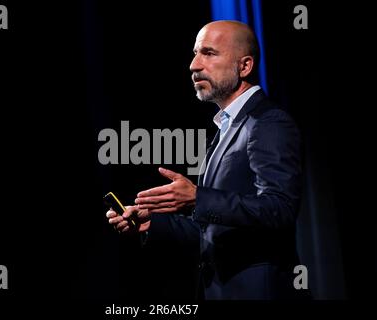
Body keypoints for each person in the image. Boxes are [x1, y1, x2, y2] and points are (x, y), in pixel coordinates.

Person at [106, 20, 303, 300]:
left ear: (244, 66)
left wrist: (199, 197)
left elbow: (280, 208)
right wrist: (154, 222)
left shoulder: (268, 122)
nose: (194, 65)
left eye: (209, 53)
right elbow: (217, 227)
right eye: (196, 53)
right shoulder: (228, 126)